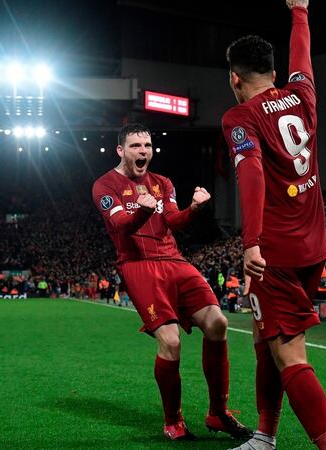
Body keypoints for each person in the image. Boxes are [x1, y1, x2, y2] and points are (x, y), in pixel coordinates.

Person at [221, 1, 326, 449]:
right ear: (274, 72)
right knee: (263, 337)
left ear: (235, 78)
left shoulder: (240, 116)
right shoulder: (302, 95)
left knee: (288, 352)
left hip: (276, 253)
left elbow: (250, 172)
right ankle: (264, 436)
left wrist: (251, 241)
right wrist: (300, 13)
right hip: (313, 246)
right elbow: (303, 60)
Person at [92, 123, 252, 441]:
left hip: (174, 260)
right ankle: (173, 420)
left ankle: (218, 413)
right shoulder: (104, 185)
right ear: (121, 150)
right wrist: (142, 212)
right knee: (171, 340)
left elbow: (174, 221)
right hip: (138, 264)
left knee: (218, 323)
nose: (143, 151)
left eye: (147, 146)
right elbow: (122, 225)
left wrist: (194, 209)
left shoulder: (162, 183)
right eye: (135, 146)